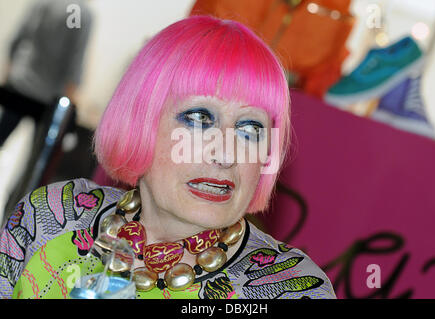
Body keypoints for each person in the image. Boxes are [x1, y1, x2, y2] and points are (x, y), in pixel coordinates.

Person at [0, 15, 336, 299]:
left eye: (249, 128)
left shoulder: (288, 288)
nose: (225, 154)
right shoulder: (50, 216)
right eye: (198, 119)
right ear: (140, 121)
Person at [0, 0, 93, 146]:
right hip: (49, 96)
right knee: (39, 153)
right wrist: (71, 99)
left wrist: (8, 74)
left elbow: (18, 38)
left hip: (20, 83)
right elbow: (75, 57)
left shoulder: (42, 2)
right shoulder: (81, 12)